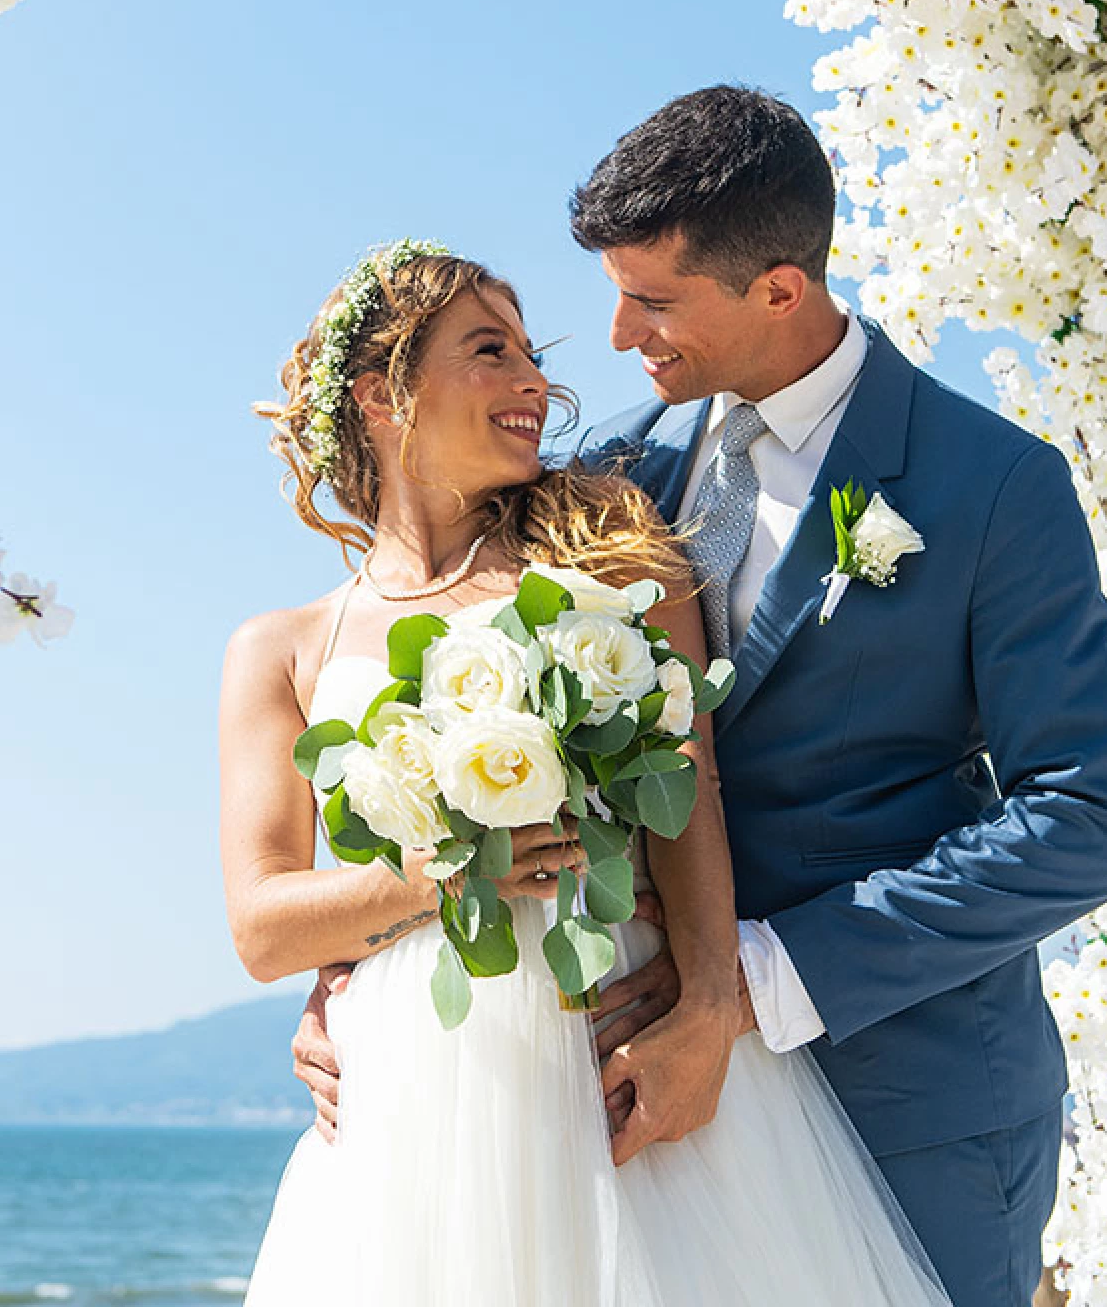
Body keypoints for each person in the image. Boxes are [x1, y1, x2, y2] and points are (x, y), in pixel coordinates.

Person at [290, 88, 1107, 1307]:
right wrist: (351, 989)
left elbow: (1085, 820)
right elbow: (432, 713)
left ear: (780, 290)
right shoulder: (602, 482)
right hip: (639, 1113)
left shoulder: (995, 485)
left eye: (654, 299)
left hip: (907, 1099)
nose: (618, 331)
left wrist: (749, 983)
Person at [224, 242, 952, 1305]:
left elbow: (689, 796)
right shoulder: (278, 648)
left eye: (530, 352)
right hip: (419, 1092)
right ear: (383, 394)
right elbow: (261, 924)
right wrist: (432, 880)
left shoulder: (613, 550)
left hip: (624, 1049)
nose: (536, 382)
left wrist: (706, 1006)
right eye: (490, 351)